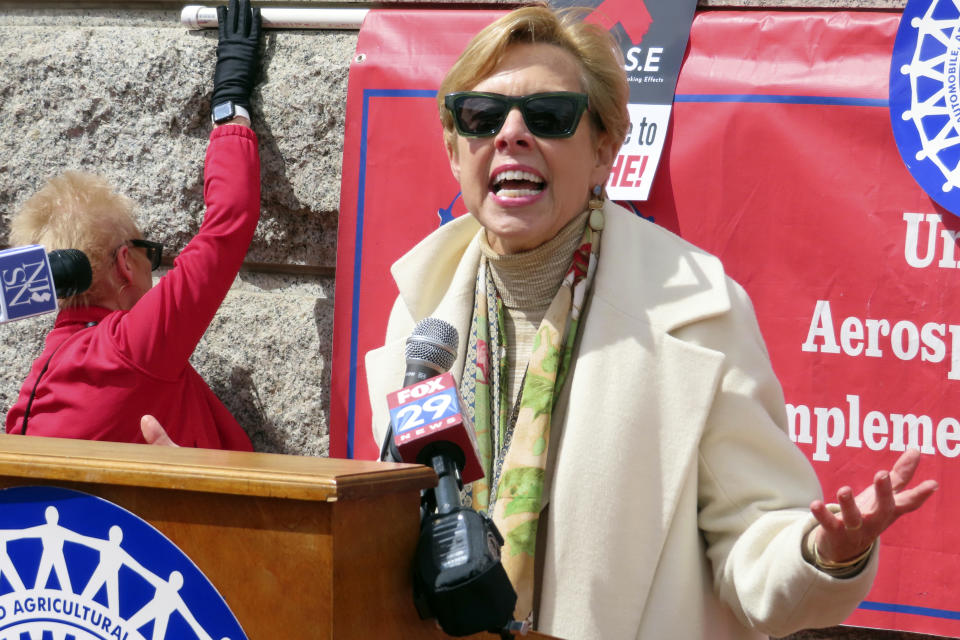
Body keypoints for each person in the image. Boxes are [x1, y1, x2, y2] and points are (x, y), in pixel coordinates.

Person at [364, 6, 939, 639]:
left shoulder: (694, 312)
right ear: (455, 149)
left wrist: (824, 555)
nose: (512, 135)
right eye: (482, 116)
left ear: (605, 148)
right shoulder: (421, 311)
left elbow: (756, 541)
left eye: (550, 117)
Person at [5, 0, 263, 450]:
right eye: (148, 251)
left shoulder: (48, 368)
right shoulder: (130, 347)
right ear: (125, 262)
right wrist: (230, 101)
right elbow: (228, 224)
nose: (154, 269)